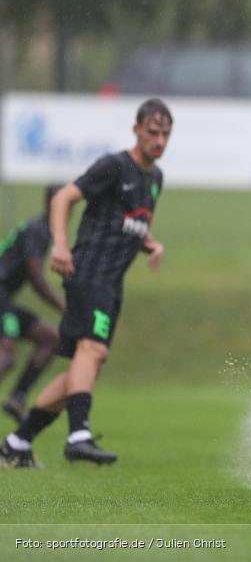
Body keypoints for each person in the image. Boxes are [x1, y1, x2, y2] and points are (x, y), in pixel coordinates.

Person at [0, 98, 171, 468]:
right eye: (152, 132)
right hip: (88, 273)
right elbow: (63, 197)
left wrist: (151, 243)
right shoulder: (114, 166)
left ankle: (17, 442)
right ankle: (79, 435)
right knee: (92, 352)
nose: (158, 140)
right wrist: (60, 244)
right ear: (137, 130)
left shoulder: (154, 179)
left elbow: (135, 222)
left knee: (87, 364)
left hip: (112, 284)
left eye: (165, 134)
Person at [0, 186, 66, 422]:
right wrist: (63, 306)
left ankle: (17, 397)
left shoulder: (44, 230)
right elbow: (36, 277)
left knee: (50, 338)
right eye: (66, 204)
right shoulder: (38, 229)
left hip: (4, 297)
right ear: (52, 203)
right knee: (6, 355)